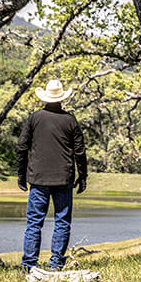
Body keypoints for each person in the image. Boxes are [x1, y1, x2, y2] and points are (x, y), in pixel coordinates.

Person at [17, 78, 87, 271]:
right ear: (62, 98)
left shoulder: (34, 118)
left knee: (34, 222)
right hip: (63, 179)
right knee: (62, 222)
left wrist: (21, 176)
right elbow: (80, 152)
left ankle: (29, 265)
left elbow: (22, 147)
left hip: (38, 179)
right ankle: (56, 264)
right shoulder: (70, 120)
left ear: (45, 98)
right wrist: (83, 177)